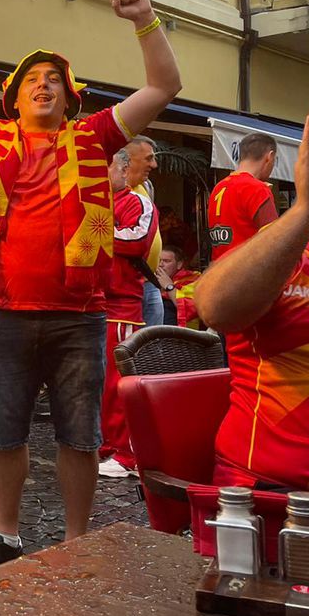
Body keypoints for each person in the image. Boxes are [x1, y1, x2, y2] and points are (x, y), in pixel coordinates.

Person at [0, 0, 181, 573]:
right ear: (13, 96)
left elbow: (165, 86)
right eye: (33, 77)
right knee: (5, 435)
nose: (43, 83)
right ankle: (6, 536)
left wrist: (144, 20)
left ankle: (76, 540)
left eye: (54, 78)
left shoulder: (93, 137)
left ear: (70, 97)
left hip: (77, 318)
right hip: (6, 314)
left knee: (78, 438)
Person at [194, 111, 309, 498]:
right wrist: (307, 212)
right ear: (271, 159)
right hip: (279, 499)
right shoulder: (290, 252)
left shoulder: (221, 188)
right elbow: (215, 306)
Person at [98, 149, 158, 479]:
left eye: (102, 166)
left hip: (122, 308)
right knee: (101, 386)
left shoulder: (137, 201)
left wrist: (93, 228)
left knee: (119, 385)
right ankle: (108, 447)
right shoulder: (100, 203)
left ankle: (126, 455)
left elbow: (136, 242)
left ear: (121, 169)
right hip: (97, 306)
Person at [207, 132, 278, 262]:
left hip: (218, 271)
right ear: (270, 157)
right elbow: (275, 241)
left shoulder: (218, 187)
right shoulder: (257, 188)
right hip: (247, 272)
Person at [123, 136, 165, 326]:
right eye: (149, 158)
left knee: (152, 348)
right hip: (126, 285)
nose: (154, 165)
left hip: (150, 282)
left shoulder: (147, 186)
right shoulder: (108, 189)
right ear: (128, 159)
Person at [157, 245, 199, 327]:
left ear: (179, 264)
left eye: (166, 261)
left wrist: (169, 286)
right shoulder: (149, 280)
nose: (160, 265)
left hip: (183, 334)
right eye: (158, 260)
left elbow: (190, 308)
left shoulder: (193, 279)